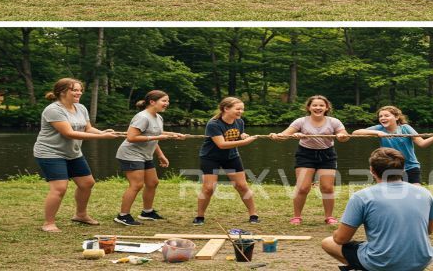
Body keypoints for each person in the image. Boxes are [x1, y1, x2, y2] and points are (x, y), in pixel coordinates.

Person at [320, 147, 433, 271]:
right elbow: (429, 230)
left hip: (382, 262)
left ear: (372, 170)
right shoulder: (424, 193)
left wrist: (336, 233)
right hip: (421, 260)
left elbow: (341, 239)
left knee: (327, 242)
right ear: (403, 170)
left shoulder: (362, 197)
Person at [32, 78, 120, 232]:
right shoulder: (54, 110)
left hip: (72, 153)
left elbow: (87, 128)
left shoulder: (80, 108)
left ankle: (80, 215)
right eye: (74, 90)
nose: (79, 93)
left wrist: (102, 132)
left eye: (80, 90)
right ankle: (49, 223)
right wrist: (102, 137)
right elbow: (69, 133)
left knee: (87, 183)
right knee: (59, 188)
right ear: (62, 92)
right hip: (50, 153)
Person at [270, 95, 349, 225]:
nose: (318, 108)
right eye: (315, 105)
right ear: (309, 107)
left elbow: (345, 137)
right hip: (305, 154)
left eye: (321, 105)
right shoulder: (300, 121)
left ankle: (329, 217)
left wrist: (341, 136)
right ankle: (297, 217)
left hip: (327, 155)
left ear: (327, 107)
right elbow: (283, 136)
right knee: (302, 188)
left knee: (327, 188)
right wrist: (276, 136)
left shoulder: (334, 122)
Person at [114, 90, 185, 226]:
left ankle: (147, 212)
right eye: (164, 101)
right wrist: (158, 137)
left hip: (145, 155)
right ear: (152, 102)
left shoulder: (158, 117)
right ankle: (123, 216)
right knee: (136, 185)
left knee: (152, 183)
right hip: (130, 154)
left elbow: (156, 133)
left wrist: (164, 148)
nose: (167, 104)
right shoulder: (142, 117)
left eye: (167, 101)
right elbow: (131, 137)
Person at [194, 97, 260, 225]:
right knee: (208, 188)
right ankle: (200, 216)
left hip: (231, 156)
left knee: (242, 186)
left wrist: (242, 135)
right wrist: (245, 142)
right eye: (238, 109)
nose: (241, 111)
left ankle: (253, 215)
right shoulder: (214, 124)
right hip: (210, 157)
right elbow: (222, 144)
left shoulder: (239, 121)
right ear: (226, 109)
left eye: (242, 109)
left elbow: (237, 134)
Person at [352, 105, 433, 184]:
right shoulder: (379, 128)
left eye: (386, 115)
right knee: (390, 192)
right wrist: (377, 132)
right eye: (380, 116)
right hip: (389, 166)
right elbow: (355, 133)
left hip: (410, 166)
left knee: (415, 191)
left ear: (396, 117)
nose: (383, 118)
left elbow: (422, 144)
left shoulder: (405, 128)